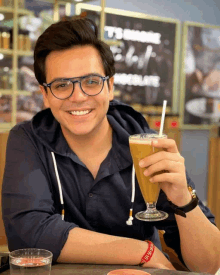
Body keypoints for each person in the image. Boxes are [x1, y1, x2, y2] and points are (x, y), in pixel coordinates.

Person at [2, 18, 220, 273]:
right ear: (45, 95)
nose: (78, 96)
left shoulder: (147, 144)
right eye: (62, 85)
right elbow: (29, 233)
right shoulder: (28, 139)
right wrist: (142, 251)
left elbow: (209, 264)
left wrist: (183, 198)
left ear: (110, 86)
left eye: (91, 81)